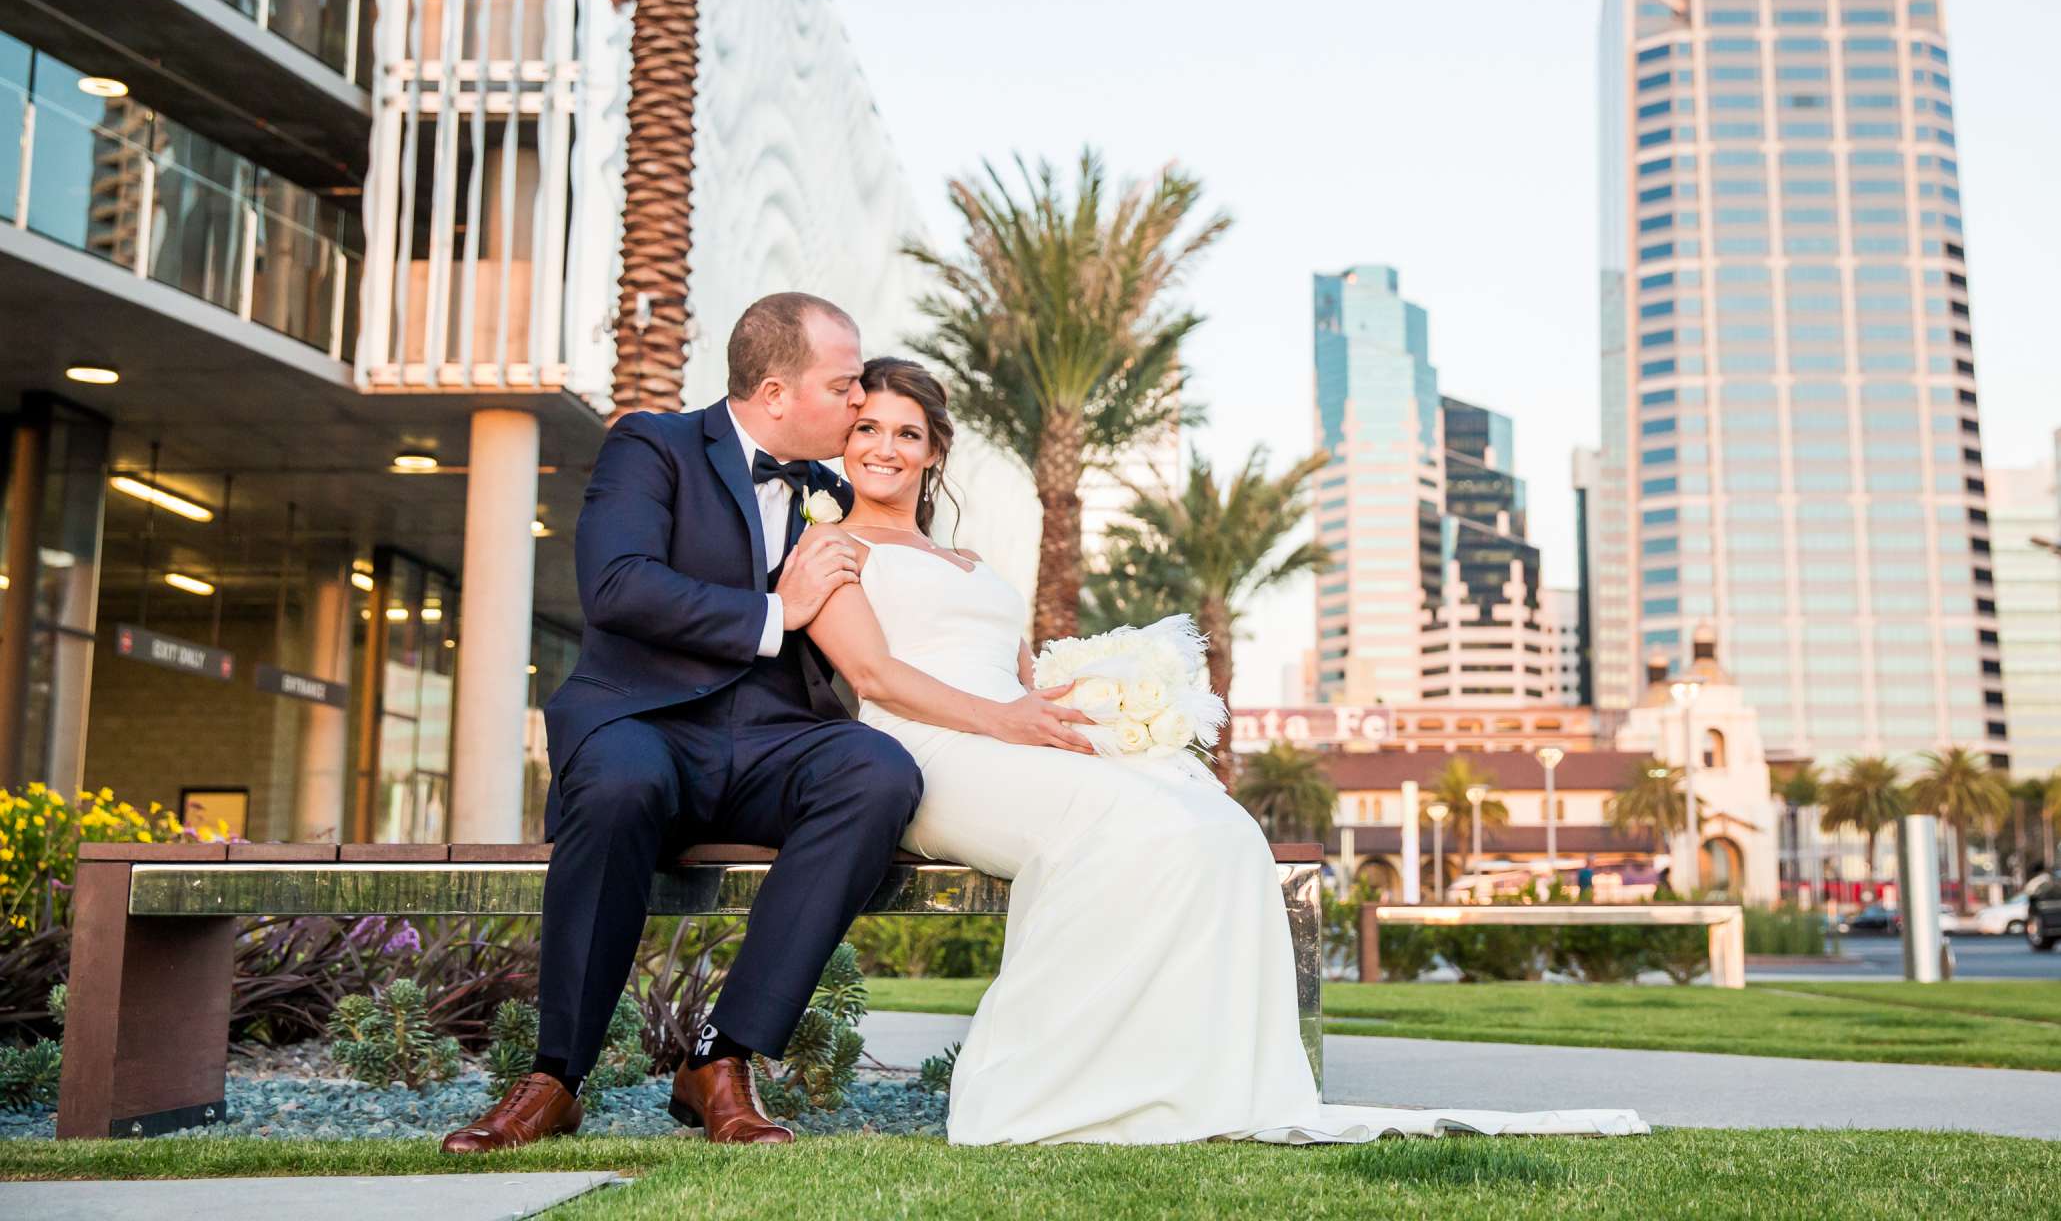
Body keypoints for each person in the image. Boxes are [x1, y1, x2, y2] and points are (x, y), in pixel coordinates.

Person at [801, 356, 1646, 1144]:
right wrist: (1007, 721)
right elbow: (873, 674)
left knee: (1221, 827)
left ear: (933, 450)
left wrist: (1103, 698)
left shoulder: (973, 562)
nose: (884, 446)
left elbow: (1025, 673)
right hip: (927, 754)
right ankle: (1036, 1083)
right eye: (867, 427)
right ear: (842, 439)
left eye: (906, 432)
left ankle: (1199, 1075)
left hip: (1016, 734)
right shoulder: (832, 547)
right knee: (1129, 821)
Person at [441, 294, 1088, 1152]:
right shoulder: (653, 447)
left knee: (878, 772)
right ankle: (555, 1077)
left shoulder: (832, 493)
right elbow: (619, 586)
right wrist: (773, 613)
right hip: (646, 724)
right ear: (777, 393)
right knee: (625, 784)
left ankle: (721, 1057)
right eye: (846, 385)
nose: (862, 405)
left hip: (776, 743)